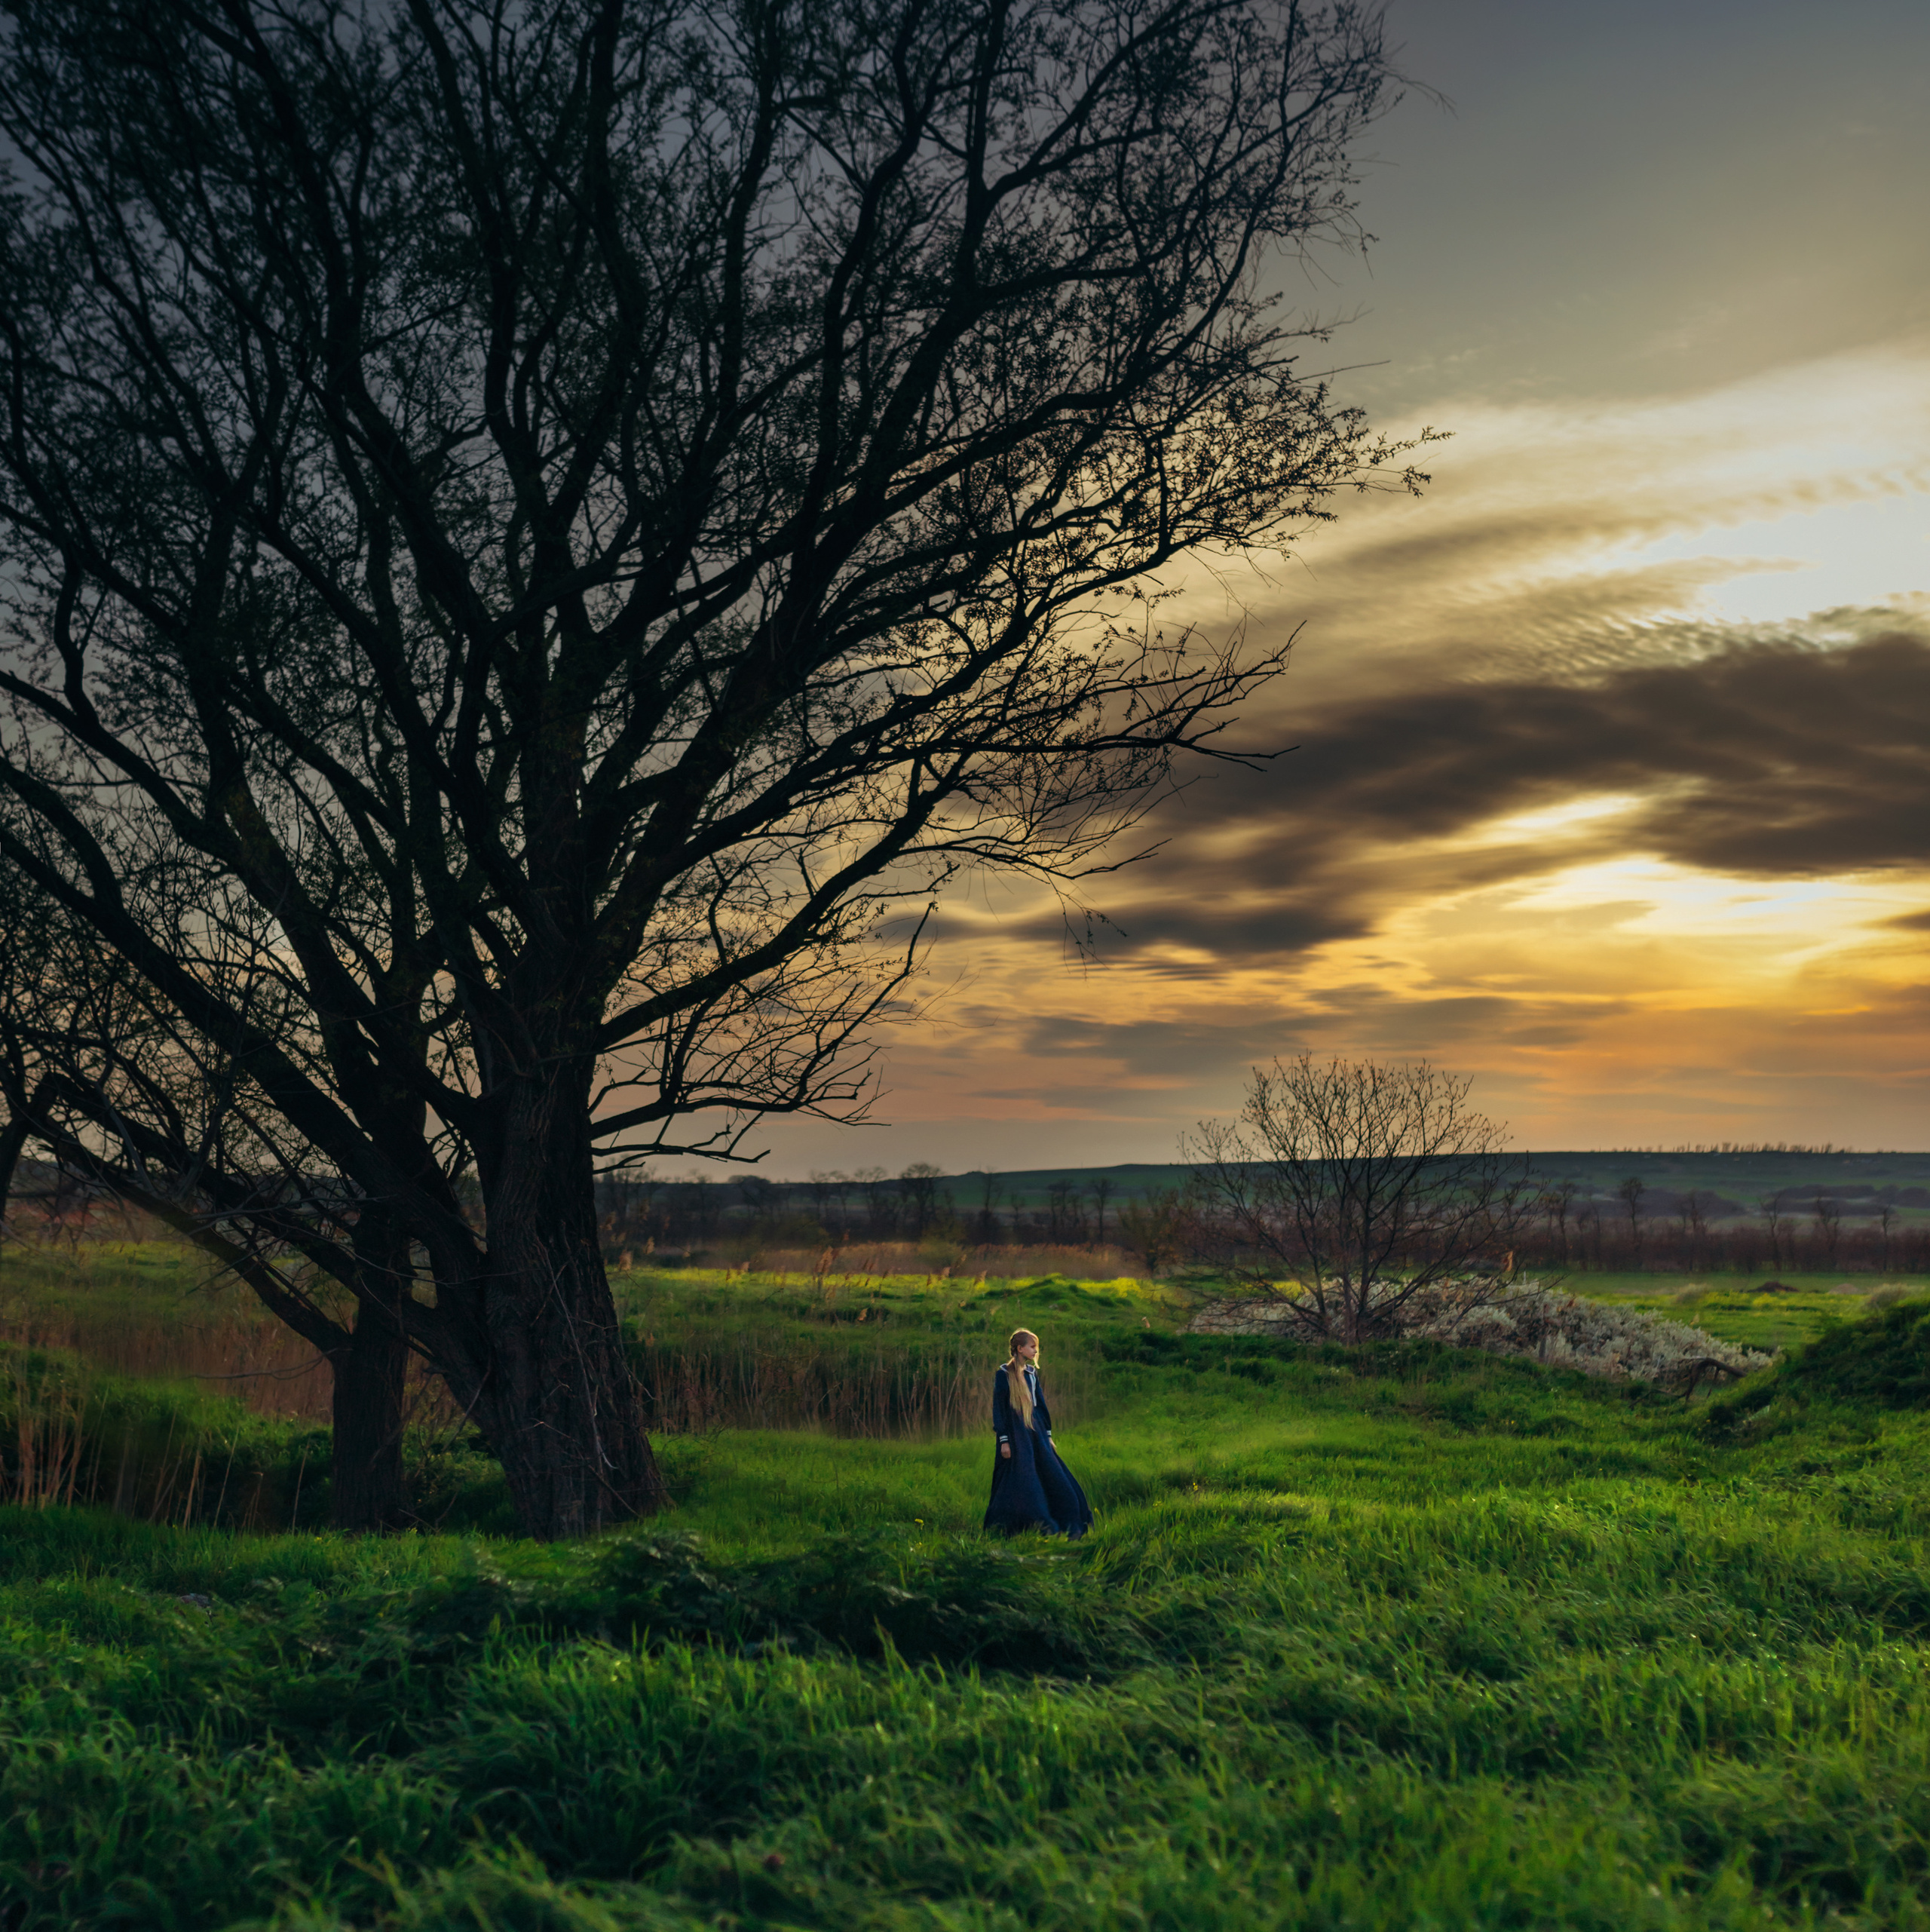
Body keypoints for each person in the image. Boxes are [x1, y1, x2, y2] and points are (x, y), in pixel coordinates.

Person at [982, 1328, 1092, 1538]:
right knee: (1021, 1478)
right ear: (1020, 1348)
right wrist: (1004, 1441)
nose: (1035, 1351)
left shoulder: (1032, 1375)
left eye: (1036, 1347)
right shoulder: (1003, 1374)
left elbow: (1040, 1407)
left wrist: (1049, 1437)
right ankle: (1017, 1526)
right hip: (1015, 1436)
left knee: (1054, 1474)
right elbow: (999, 1409)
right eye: (1032, 1347)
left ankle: (1063, 1521)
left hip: (1036, 1432)